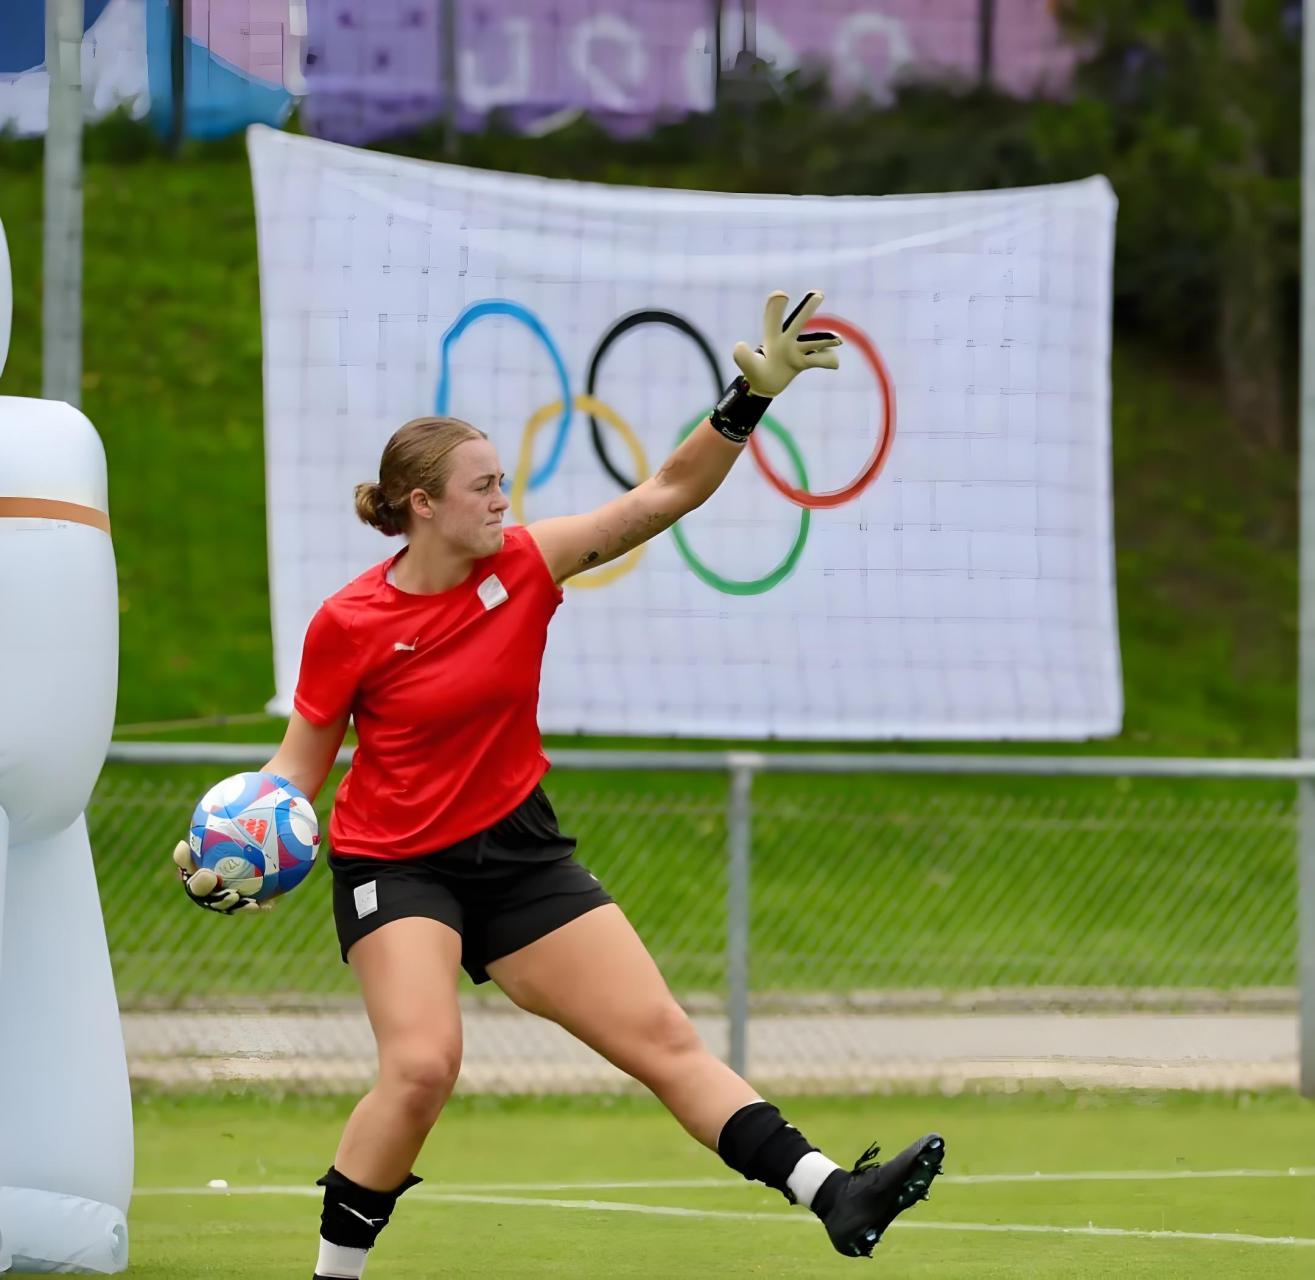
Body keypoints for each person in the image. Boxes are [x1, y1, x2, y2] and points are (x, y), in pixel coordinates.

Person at [172, 290, 944, 1276]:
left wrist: (747, 398)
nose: (504, 499)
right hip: (396, 865)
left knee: (663, 1037)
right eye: (483, 486)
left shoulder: (530, 563)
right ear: (422, 505)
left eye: (504, 481)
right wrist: (236, 838)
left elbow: (664, 493)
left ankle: (836, 1194)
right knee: (422, 1066)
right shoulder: (347, 622)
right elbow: (298, 766)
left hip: (517, 849)